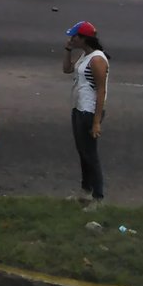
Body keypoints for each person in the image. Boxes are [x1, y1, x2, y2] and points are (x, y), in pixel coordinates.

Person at [63, 21, 109, 207]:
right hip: (78, 108)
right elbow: (66, 69)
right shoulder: (85, 55)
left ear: (84, 39)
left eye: (74, 37)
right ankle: (85, 190)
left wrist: (96, 121)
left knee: (90, 154)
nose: (71, 39)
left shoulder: (97, 59)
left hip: (89, 112)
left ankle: (98, 197)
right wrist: (68, 50)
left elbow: (101, 91)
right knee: (83, 152)